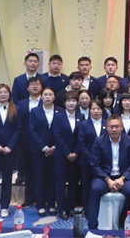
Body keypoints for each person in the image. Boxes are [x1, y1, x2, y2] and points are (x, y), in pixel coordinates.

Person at [87, 114, 130, 229]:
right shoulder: (99, 141)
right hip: (104, 176)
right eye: (111, 127)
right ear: (107, 127)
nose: (114, 129)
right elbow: (95, 164)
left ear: (122, 127)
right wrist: (108, 180)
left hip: (123, 176)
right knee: (95, 189)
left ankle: (122, 220)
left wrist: (123, 178)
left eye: (117, 126)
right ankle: (92, 226)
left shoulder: (129, 141)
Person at [29, 86, 63, 216]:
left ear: (54, 97)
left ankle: (51, 203)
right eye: (45, 95)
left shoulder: (60, 111)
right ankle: (40, 204)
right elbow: (32, 130)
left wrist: (54, 147)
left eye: (50, 95)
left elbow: (62, 131)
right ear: (41, 97)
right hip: (38, 150)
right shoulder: (34, 111)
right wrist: (43, 147)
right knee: (39, 177)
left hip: (56, 150)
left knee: (52, 177)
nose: (48, 97)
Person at [53, 92, 83, 220]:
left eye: (73, 101)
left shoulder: (81, 116)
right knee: (60, 182)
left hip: (76, 155)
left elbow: (81, 136)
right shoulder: (58, 116)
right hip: (61, 154)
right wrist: (67, 153)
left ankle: (70, 207)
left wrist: (75, 152)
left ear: (77, 102)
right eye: (68, 101)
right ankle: (61, 208)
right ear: (64, 103)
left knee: (73, 182)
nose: (71, 103)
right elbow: (57, 135)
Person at [0, 84, 19, 218]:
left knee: (7, 178)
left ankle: (5, 205)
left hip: (9, 150)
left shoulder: (15, 110)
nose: (2, 95)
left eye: (5, 92)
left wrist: (10, 146)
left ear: (9, 94)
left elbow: (18, 130)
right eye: (0, 92)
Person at [16, 76, 43, 207]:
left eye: (37, 84)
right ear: (27, 88)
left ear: (41, 87)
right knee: (28, 172)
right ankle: (29, 198)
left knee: (41, 172)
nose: (35, 86)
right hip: (25, 143)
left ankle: (41, 198)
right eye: (32, 84)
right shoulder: (21, 104)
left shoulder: (46, 102)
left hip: (42, 143)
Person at [78, 99, 107, 210]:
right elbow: (81, 143)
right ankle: (87, 210)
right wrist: (91, 158)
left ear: (102, 110)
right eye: (93, 109)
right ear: (89, 110)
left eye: (98, 109)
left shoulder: (107, 124)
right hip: (87, 161)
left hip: (103, 163)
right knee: (86, 186)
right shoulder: (84, 124)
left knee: (100, 186)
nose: (96, 111)